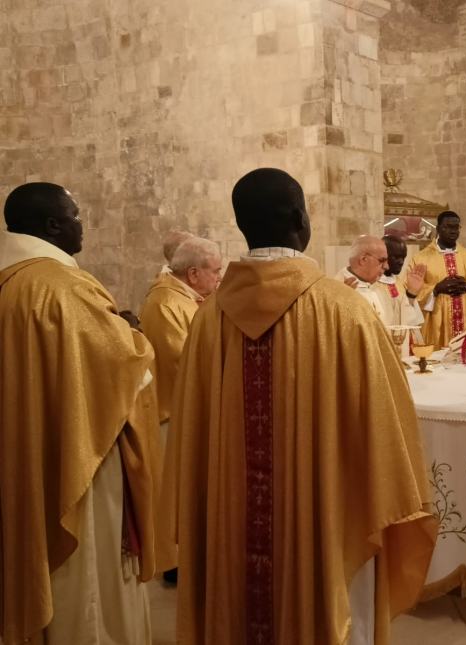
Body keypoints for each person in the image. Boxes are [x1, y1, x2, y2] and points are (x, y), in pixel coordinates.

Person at [168, 168, 437, 644]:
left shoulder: (208, 321)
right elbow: (384, 437)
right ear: (299, 218)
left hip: (234, 527)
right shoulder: (345, 312)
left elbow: (192, 445)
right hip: (327, 527)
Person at [0, 182, 163, 644]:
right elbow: (122, 369)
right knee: (88, 582)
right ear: (52, 225)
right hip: (81, 459)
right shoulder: (63, 287)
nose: (80, 224)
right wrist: (131, 333)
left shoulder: (10, 283)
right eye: (75, 215)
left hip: (25, 448)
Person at [140, 235, 221, 584]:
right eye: (215, 272)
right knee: (179, 490)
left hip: (190, 411)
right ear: (192, 274)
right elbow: (182, 358)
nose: (219, 278)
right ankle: (175, 561)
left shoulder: (190, 298)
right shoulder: (164, 302)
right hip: (173, 412)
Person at [407, 210, 466, 348]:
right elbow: (411, 290)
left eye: (456, 227)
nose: (453, 231)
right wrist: (435, 289)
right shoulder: (420, 259)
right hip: (437, 320)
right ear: (438, 228)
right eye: (448, 227)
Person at [372, 235, 426, 329]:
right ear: (383, 256)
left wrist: (411, 294)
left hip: (400, 340)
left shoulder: (399, 283)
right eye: (396, 257)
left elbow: (411, 322)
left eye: (403, 257)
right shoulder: (372, 284)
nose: (401, 262)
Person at [335, 235, 390, 319]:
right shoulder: (338, 289)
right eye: (382, 260)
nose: (387, 267)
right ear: (363, 260)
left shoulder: (376, 285)